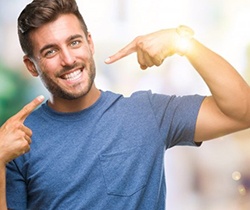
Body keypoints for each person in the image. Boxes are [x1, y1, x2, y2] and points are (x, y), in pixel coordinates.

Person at [2, 0, 250, 209]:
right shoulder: (19, 142)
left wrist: (184, 44)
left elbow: (242, 112)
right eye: (50, 52)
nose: (68, 59)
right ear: (31, 65)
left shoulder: (147, 114)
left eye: (74, 42)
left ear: (90, 43)